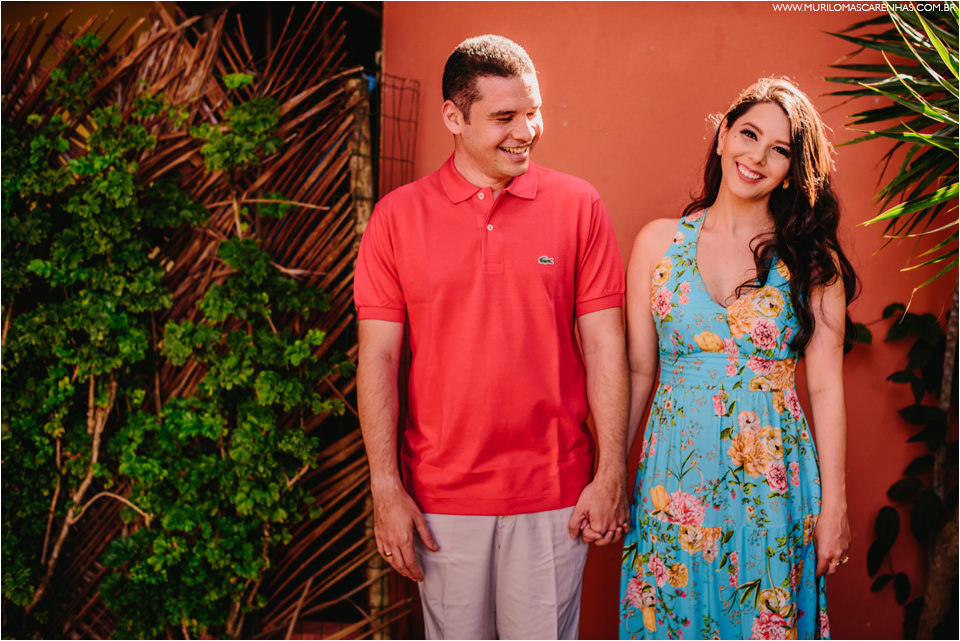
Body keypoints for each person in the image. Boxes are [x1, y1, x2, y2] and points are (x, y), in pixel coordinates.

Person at [354, 34, 629, 640]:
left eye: (533, 111)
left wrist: (611, 473)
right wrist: (386, 488)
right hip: (440, 499)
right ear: (454, 117)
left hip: (554, 494)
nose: (525, 131)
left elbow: (606, 346)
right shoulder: (396, 217)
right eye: (505, 117)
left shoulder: (579, 205)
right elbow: (378, 357)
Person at [618, 78, 857, 640]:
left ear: (793, 170)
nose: (757, 157)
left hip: (771, 487)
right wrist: (608, 476)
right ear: (723, 134)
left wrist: (836, 505)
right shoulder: (657, 243)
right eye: (749, 134)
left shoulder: (813, 262)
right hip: (673, 480)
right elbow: (638, 372)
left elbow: (826, 388)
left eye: (780, 150)